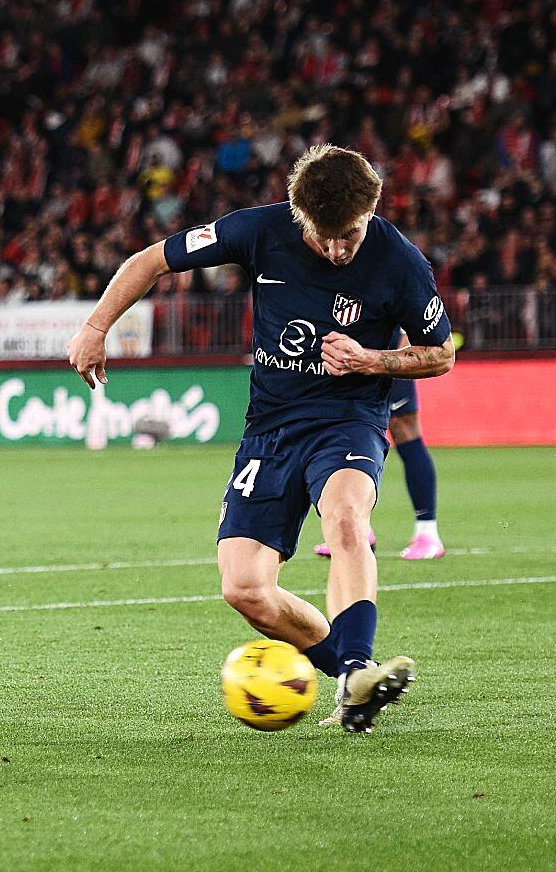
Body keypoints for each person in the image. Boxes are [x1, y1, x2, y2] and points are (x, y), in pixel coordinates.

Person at [67, 144, 455, 733]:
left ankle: (354, 667)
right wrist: (96, 327)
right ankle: (353, 680)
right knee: (245, 588)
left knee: (347, 518)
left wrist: (372, 360)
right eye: (322, 236)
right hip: (269, 430)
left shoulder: (399, 261)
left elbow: (442, 355)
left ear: (371, 211)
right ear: (299, 215)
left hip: (347, 418)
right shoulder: (260, 230)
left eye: (347, 236)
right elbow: (150, 260)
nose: (334, 249)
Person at [314, 359, 444, 560]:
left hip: (387, 360)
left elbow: (407, 332)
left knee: (405, 429)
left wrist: (401, 365)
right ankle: (358, 528)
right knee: (343, 432)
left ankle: (428, 533)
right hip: (348, 362)